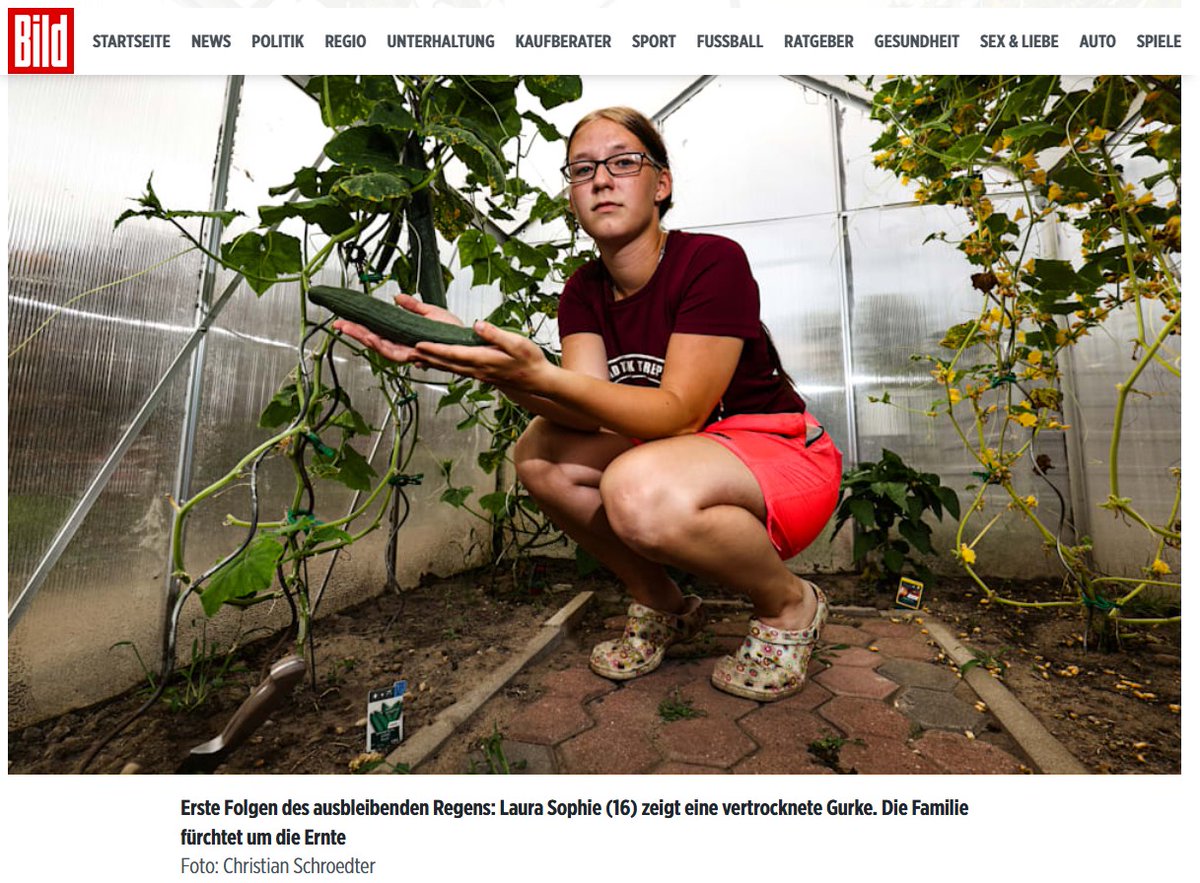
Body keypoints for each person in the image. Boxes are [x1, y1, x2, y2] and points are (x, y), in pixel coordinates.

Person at [334, 107, 843, 702]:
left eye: (624, 162)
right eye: (582, 169)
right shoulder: (583, 291)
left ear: (662, 183)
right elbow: (580, 409)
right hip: (681, 458)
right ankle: (665, 606)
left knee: (635, 486)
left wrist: (535, 371)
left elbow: (679, 411)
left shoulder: (711, 261)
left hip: (779, 454)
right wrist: (475, 357)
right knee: (539, 454)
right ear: (573, 195)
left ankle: (789, 604)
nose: (601, 179)